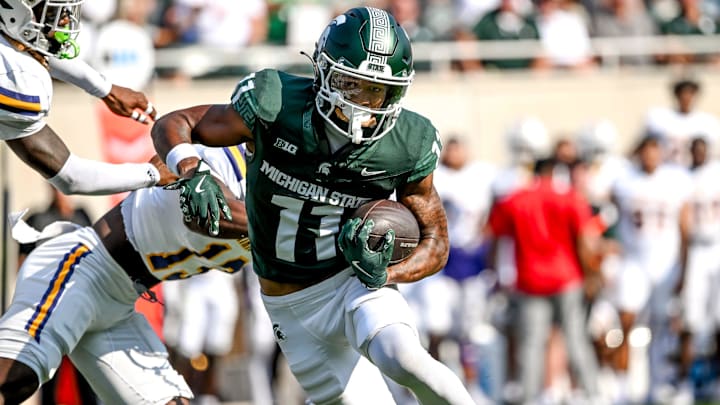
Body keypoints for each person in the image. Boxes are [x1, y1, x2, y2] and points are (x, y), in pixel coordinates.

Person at [151, 7, 476, 404]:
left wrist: (387, 270)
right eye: (351, 85)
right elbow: (176, 121)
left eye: (377, 90)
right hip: (291, 305)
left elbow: (437, 241)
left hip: (354, 282)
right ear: (323, 71)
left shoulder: (407, 141)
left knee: (406, 361)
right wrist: (189, 168)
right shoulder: (276, 103)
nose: (364, 105)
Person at [0, 144, 250, 404]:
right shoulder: (233, 163)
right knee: (17, 378)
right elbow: (175, 129)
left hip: (120, 305)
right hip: (82, 273)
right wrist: (165, 168)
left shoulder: (288, 234)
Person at [0, 0, 174, 198]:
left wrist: (105, 89)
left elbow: (31, 48)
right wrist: (151, 173)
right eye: (49, 10)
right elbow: (71, 176)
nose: (65, 18)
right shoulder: (14, 78)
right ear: (13, 10)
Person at [485, 157, 602, 404]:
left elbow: (494, 235)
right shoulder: (569, 197)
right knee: (576, 339)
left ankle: (528, 397)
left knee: (531, 344)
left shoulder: (516, 199)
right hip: (566, 277)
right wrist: (591, 274)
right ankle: (593, 395)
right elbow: (584, 240)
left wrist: (494, 271)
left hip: (530, 279)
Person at [609, 134, 692, 403]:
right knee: (626, 320)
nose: (650, 157)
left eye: (655, 151)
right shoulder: (624, 181)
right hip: (634, 260)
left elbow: (684, 226)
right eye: (646, 151)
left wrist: (684, 266)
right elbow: (607, 213)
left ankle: (659, 383)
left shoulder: (675, 181)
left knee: (663, 325)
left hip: (665, 263)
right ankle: (622, 385)